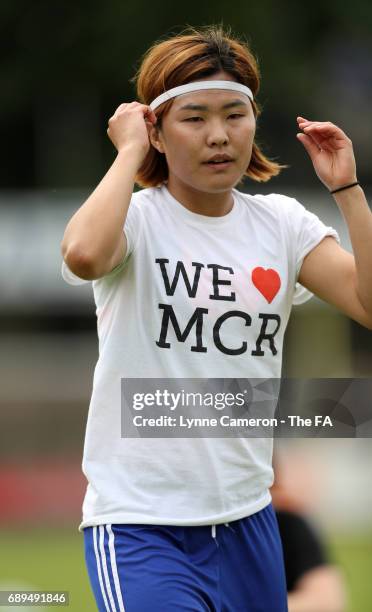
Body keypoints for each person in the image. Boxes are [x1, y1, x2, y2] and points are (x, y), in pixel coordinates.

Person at [61, 24, 372, 612]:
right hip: (140, 526)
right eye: (194, 118)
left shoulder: (282, 224)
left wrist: (348, 190)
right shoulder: (136, 220)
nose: (219, 136)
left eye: (234, 115)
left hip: (250, 524)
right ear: (155, 128)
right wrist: (128, 152)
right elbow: (82, 254)